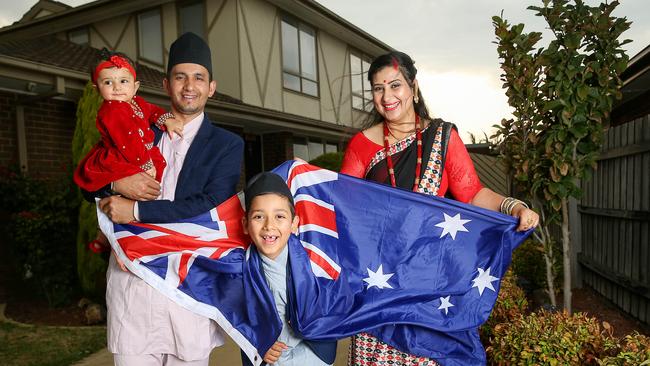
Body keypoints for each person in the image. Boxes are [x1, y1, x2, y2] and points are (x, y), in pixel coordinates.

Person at [340, 51, 539, 366]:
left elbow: (471, 193)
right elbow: (343, 210)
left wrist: (511, 206)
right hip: (380, 285)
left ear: (413, 87)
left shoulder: (443, 138)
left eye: (395, 85)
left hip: (430, 280)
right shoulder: (361, 145)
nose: (387, 96)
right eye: (378, 88)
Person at [90, 32, 244, 366]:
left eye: (199, 78)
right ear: (165, 84)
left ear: (211, 87)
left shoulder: (227, 144)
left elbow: (210, 204)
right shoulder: (132, 127)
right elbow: (89, 178)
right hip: (132, 286)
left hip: (186, 292)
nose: (190, 86)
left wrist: (136, 209)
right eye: (180, 77)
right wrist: (117, 180)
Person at [240, 172, 337, 366]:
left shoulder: (315, 261)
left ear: (294, 224)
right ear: (245, 224)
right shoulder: (237, 268)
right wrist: (254, 341)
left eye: (279, 216)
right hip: (266, 357)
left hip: (313, 354)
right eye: (259, 216)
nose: (269, 226)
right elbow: (230, 314)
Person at [74, 49, 182, 192]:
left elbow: (151, 110)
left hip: (143, 153)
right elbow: (128, 139)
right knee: (138, 187)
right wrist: (146, 164)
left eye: (123, 81)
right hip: (125, 158)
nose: (117, 87)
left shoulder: (136, 102)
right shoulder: (113, 109)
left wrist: (166, 119)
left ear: (135, 86)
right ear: (97, 89)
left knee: (153, 186)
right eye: (108, 82)